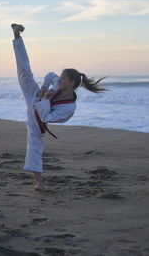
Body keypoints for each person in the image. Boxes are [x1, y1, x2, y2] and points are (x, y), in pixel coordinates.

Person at [11, 23, 107, 191]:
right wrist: (43, 88)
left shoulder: (69, 108)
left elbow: (46, 117)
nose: (59, 80)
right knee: (24, 72)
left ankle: (38, 183)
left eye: (63, 79)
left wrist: (45, 99)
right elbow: (50, 75)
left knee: (35, 145)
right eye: (61, 78)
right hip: (35, 96)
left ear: (71, 83)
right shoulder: (58, 83)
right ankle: (16, 35)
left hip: (38, 117)